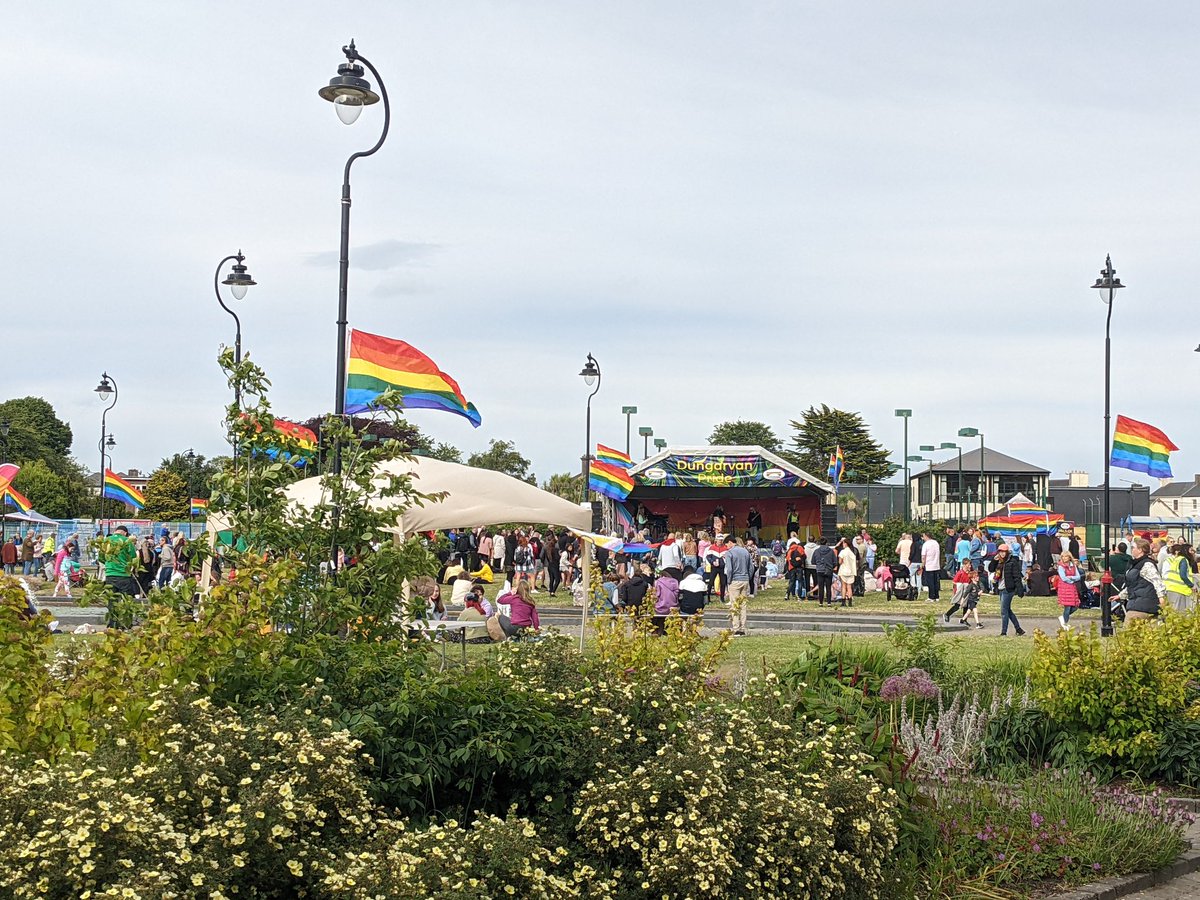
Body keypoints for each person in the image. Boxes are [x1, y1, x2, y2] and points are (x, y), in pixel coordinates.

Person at [100, 526, 139, 627]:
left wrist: (109, 564)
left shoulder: (106, 540)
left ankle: (113, 623)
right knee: (127, 600)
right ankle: (127, 623)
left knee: (112, 600)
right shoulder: (127, 541)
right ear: (125, 533)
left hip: (110, 574)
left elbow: (101, 557)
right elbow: (134, 557)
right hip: (124, 574)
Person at [1120, 537, 1164, 621]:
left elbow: (1158, 582)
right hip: (1138, 603)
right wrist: (1121, 595)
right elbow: (1134, 584)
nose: (1132, 550)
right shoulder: (1137, 564)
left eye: (1133, 548)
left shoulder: (1147, 564)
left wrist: (1161, 598)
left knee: (1129, 628)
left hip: (1142, 607)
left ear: (1140, 550)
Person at [989, 543, 1026, 636]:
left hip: (1008, 589)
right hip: (1000, 588)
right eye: (1000, 552)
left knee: (1004, 611)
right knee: (1007, 610)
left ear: (1007, 552)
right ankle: (1018, 629)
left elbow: (1017, 576)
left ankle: (1004, 632)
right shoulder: (998, 561)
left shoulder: (1012, 561)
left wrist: (1020, 589)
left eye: (1004, 552)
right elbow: (991, 569)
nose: (1002, 554)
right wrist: (994, 560)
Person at [724, 537, 754, 634]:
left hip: (734, 580)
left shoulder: (729, 553)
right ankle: (743, 628)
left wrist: (729, 581)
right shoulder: (745, 551)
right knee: (743, 605)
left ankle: (736, 628)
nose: (726, 547)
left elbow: (729, 569)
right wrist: (748, 577)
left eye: (726, 545)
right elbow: (751, 567)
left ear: (730, 542)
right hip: (745, 580)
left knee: (734, 605)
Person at [1163, 543, 1195, 613]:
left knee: (1173, 613)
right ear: (1186, 551)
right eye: (1190, 550)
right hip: (1178, 589)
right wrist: (1191, 585)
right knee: (1178, 613)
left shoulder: (1178, 559)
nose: (1192, 552)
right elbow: (1183, 575)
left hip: (1172, 588)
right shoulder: (1183, 560)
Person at [1055, 551, 1083, 629]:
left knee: (1075, 606)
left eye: (1066, 556)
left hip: (1072, 587)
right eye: (1063, 556)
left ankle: (1063, 617)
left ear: (1069, 557)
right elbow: (1063, 578)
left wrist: (1071, 577)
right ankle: (1065, 623)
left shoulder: (1073, 566)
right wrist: (1071, 580)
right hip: (1064, 588)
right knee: (1067, 606)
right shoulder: (1061, 567)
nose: (1064, 558)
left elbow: (1078, 577)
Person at [652, 567, 680, 634]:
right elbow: (677, 594)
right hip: (673, 607)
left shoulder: (658, 582)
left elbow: (657, 595)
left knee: (658, 618)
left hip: (661, 607)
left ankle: (659, 631)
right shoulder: (675, 581)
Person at [812, 537, 836, 607]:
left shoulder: (816, 551)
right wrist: (831, 567)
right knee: (828, 587)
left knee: (821, 587)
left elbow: (813, 561)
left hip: (820, 570)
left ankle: (821, 602)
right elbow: (835, 561)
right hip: (829, 570)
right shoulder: (831, 551)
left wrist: (819, 564)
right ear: (826, 542)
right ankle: (829, 602)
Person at [918, 531, 941, 601]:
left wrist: (923, 564)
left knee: (930, 582)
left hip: (929, 565)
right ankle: (936, 596)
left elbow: (923, 556)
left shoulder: (926, 544)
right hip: (936, 564)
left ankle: (931, 597)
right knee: (936, 581)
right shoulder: (936, 543)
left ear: (926, 536)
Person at [837, 538, 857, 608]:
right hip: (851, 571)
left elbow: (840, 562)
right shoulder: (852, 552)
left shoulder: (843, 552)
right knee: (849, 587)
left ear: (845, 544)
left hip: (843, 570)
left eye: (843, 543)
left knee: (843, 587)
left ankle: (843, 602)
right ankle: (850, 601)